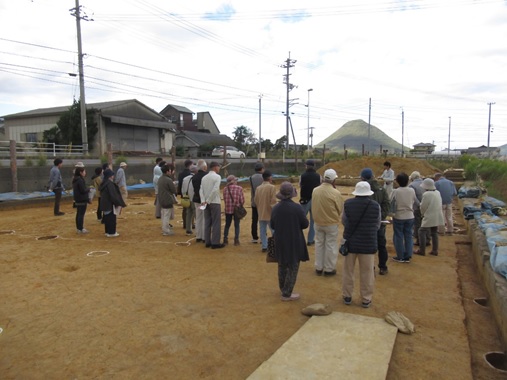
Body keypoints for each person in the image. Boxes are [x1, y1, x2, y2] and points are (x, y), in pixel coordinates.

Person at [341, 181, 381, 308]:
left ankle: (347, 296)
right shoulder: (375, 206)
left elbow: (344, 221)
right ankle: (366, 299)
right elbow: (377, 224)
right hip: (368, 243)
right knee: (367, 272)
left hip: (350, 242)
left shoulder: (347, 204)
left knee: (348, 271)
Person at [270, 182, 309, 301]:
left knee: (282, 264)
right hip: (294, 239)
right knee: (293, 265)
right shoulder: (297, 207)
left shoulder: (276, 208)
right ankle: (287, 293)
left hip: (280, 239)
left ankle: (283, 289)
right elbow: (305, 223)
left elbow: (272, 224)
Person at [311, 168, 343, 276]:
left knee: (319, 244)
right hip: (331, 223)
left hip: (318, 222)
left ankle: (319, 267)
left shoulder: (315, 190)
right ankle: (329, 268)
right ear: (334, 180)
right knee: (331, 245)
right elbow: (339, 209)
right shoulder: (336, 193)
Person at [361, 168, 390, 275]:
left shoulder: (363, 190)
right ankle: (383, 267)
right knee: (381, 245)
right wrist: (380, 216)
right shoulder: (382, 189)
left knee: (367, 246)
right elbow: (387, 204)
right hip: (380, 223)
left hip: (366, 223)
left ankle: (370, 268)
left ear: (363, 178)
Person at [391, 172, 418, 263]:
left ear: (398, 181)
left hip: (399, 216)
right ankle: (408, 255)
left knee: (398, 236)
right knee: (409, 235)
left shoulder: (396, 191)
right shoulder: (411, 190)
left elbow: (390, 201)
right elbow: (415, 201)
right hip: (410, 216)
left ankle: (400, 256)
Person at [414, 178, 444, 256]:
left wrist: (422, 214)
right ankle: (435, 250)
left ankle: (422, 250)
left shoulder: (426, 194)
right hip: (437, 215)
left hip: (429, 215)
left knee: (421, 231)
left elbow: (423, 206)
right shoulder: (438, 192)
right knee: (434, 232)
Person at [200, 161, 224, 249]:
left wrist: (204, 200)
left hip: (205, 202)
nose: (219, 168)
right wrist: (209, 200)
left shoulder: (204, 177)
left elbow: (201, 190)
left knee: (207, 221)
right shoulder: (217, 177)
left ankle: (207, 241)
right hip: (214, 201)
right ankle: (215, 242)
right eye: (218, 166)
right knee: (216, 222)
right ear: (215, 167)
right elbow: (215, 189)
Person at [299, 159, 321, 246]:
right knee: (313, 221)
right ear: (314, 166)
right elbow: (320, 185)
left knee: (300, 220)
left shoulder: (302, 176)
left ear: (306, 166)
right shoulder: (318, 176)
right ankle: (310, 240)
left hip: (305, 200)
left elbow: (300, 185)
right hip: (315, 199)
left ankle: (298, 239)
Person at [253, 170, 277, 253]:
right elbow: (273, 201)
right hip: (270, 212)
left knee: (262, 230)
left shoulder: (258, 188)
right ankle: (275, 245)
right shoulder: (272, 187)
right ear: (270, 177)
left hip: (261, 212)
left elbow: (255, 200)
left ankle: (264, 246)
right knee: (273, 230)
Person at [99, 169, 127, 237]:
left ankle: (107, 231)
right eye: (112, 175)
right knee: (111, 218)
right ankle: (112, 232)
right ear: (110, 176)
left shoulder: (104, 183)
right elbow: (113, 195)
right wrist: (118, 203)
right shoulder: (109, 184)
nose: (113, 176)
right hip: (109, 204)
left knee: (107, 217)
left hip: (105, 204)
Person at [223, 175, 245, 246]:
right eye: (235, 180)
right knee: (237, 225)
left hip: (228, 209)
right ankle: (236, 240)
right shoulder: (239, 188)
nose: (236, 181)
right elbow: (242, 200)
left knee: (227, 224)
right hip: (236, 209)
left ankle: (225, 239)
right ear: (232, 181)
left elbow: (225, 199)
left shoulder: (225, 189)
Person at [409, 171, 430, 246]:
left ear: (412, 178)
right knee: (426, 223)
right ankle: (427, 239)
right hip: (427, 206)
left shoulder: (411, 185)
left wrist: (419, 205)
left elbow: (413, 198)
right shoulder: (425, 183)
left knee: (417, 224)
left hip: (417, 208)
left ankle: (419, 240)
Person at [158, 163, 177, 236]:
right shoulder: (168, 180)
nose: (170, 171)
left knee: (163, 215)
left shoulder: (160, 178)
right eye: (169, 170)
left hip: (161, 199)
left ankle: (164, 229)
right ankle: (166, 230)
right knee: (166, 215)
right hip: (167, 199)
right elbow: (173, 190)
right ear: (167, 171)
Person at [191, 160, 208, 243]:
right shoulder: (206, 176)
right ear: (204, 167)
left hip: (196, 199)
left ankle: (198, 236)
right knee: (205, 217)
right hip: (204, 200)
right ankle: (204, 237)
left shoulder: (194, 176)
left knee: (198, 217)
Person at [72, 166, 90, 234]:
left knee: (79, 213)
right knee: (81, 214)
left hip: (77, 199)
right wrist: (88, 189)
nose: (85, 173)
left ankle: (79, 228)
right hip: (82, 199)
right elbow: (83, 190)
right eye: (84, 171)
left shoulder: (75, 179)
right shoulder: (80, 180)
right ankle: (81, 228)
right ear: (80, 172)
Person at [249, 162, 265, 243]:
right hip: (263, 202)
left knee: (254, 220)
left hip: (254, 201)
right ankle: (263, 238)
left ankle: (254, 237)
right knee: (263, 220)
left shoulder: (251, 177)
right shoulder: (264, 177)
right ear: (262, 169)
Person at [181, 164, 198, 236]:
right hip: (194, 198)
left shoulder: (185, 179)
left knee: (188, 214)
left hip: (186, 198)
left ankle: (188, 230)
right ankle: (198, 231)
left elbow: (182, 189)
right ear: (195, 170)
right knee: (196, 215)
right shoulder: (196, 178)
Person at [178, 159, 193, 228]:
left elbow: (180, 184)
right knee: (191, 209)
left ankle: (185, 223)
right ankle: (191, 224)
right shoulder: (191, 174)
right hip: (191, 193)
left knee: (185, 209)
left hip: (183, 193)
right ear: (190, 165)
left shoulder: (181, 173)